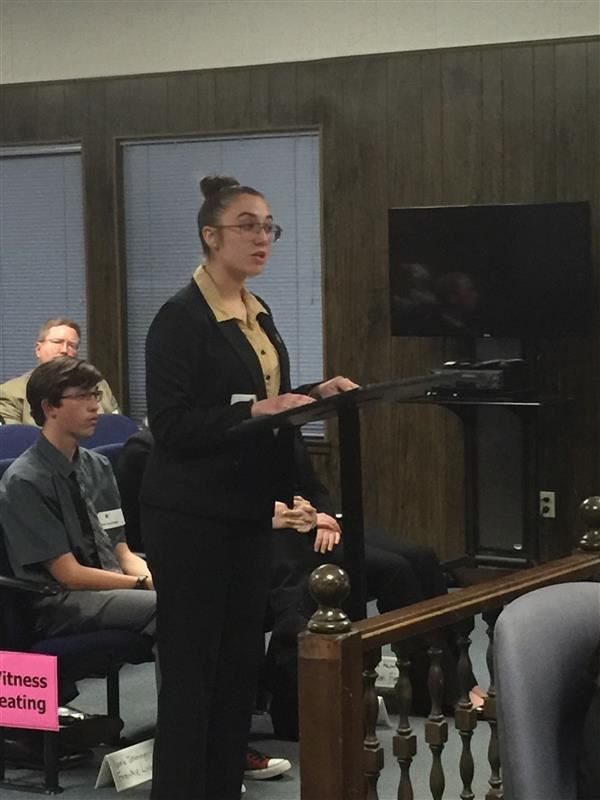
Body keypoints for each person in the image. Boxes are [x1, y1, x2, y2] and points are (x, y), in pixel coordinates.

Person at [141, 174, 356, 800]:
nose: (263, 237)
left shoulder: (256, 314)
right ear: (211, 235)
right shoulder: (180, 318)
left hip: (243, 513)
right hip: (188, 517)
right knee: (192, 674)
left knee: (238, 667)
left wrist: (314, 396)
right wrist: (256, 414)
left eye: (269, 227)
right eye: (248, 225)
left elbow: (268, 406)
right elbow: (175, 426)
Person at [0, 318, 119, 424]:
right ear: (38, 349)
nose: (64, 350)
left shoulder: (98, 386)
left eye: (72, 345)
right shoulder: (11, 392)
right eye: (57, 342)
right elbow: (13, 441)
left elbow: (117, 427)